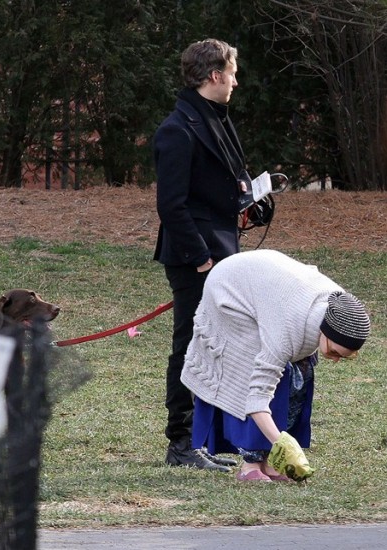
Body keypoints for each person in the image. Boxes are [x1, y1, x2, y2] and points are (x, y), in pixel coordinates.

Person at [181, 249, 371, 481]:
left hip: (267, 290)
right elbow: (256, 398)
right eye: (334, 351)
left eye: (345, 356)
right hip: (230, 289)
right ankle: (250, 466)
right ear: (326, 333)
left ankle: (271, 463)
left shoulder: (338, 308)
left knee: (300, 376)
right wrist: (282, 443)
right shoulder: (286, 331)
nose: (335, 359)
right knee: (252, 371)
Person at [153, 38, 247, 470]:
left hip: (222, 252)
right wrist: (200, 258)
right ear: (214, 76)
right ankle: (181, 444)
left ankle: (206, 440)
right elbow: (171, 205)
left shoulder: (216, 118)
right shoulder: (177, 128)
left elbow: (223, 184)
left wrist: (250, 202)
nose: (235, 80)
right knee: (190, 346)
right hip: (196, 258)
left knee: (215, 345)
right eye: (231, 72)